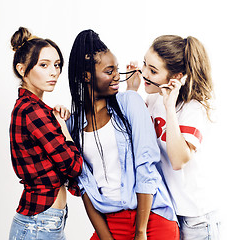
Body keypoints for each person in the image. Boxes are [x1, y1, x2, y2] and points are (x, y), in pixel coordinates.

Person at [66, 30, 179, 240]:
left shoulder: (130, 102)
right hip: (109, 222)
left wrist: (140, 232)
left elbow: (146, 165)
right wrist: (105, 236)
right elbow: (84, 186)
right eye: (109, 71)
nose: (117, 76)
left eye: (117, 69)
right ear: (86, 76)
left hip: (151, 218)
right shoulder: (72, 124)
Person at [126, 35, 220, 239]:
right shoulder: (152, 98)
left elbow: (178, 161)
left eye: (153, 70)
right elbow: (135, 141)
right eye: (144, 64)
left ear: (175, 78)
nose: (143, 73)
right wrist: (131, 91)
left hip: (196, 219)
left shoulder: (193, 108)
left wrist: (169, 107)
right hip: (168, 213)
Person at [9, 27, 83, 240]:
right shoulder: (32, 111)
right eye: (44, 65)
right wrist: (62, 128)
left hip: (42, 221)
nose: (54, 72)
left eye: (57, 65)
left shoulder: (34, 109)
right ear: (22, 69)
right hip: (38, 224)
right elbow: (73, 166)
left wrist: (57, 120)